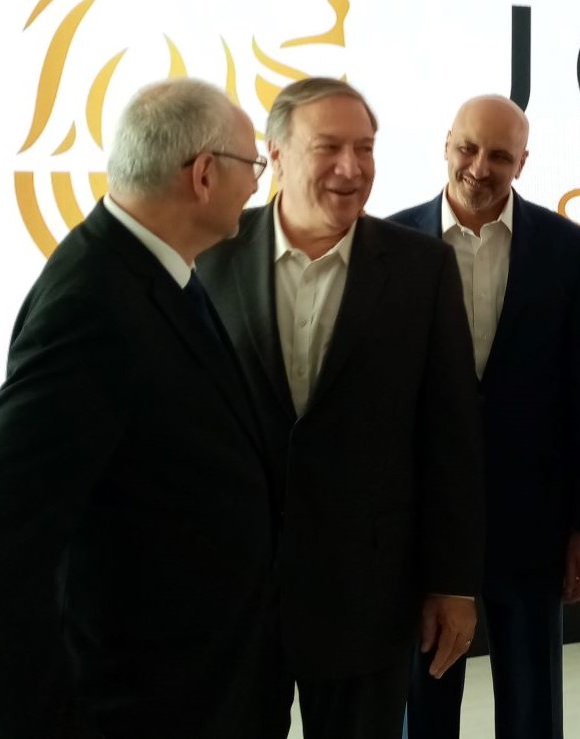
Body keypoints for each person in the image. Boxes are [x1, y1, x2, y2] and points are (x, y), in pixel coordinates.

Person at [0, 78, 273, 739]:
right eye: (254, 164)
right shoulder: (92, 305)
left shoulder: (157, 271)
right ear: (204, 174)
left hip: (202, 690)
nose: (258, 184)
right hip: (141, 707)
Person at [195, 77, 484, 739]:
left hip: (368, 593)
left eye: (365, 148)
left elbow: (451, 435)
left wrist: (453, 584)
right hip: (230, 594)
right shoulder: (209, 254)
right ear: (275, 154)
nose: (351, 168)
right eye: (329, 147)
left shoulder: (422, 267)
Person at [390, 94, 580, 739]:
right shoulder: (389, 244)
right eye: (468, 148)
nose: (480, 167)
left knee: (532, 706)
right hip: (422, 521)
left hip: (533, 521)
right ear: (446, 144)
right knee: (423, 702)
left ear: (523, 161)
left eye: (500, 156)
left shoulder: (569, 250)